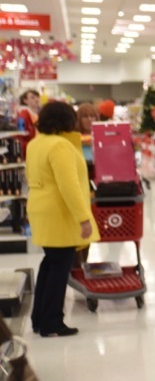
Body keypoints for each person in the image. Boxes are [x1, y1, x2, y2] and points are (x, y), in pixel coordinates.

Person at [26, 102, 96, 338]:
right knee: (59, 269)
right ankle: (52, 322)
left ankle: (39, 318)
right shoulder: (60, 146)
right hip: (59, 213)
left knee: (50, 264)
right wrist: (83, 218)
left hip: (40, 209)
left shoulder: (36, 143)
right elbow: (70, 187)